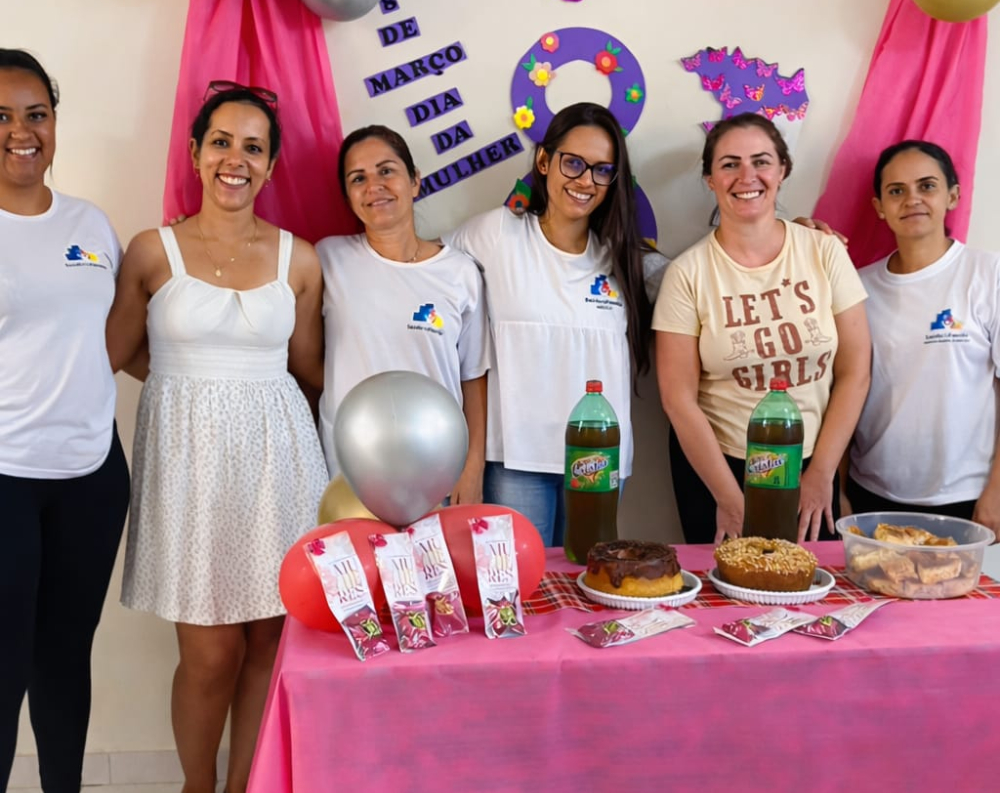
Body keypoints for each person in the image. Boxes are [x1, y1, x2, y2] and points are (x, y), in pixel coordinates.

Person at [107, 82, 328, 793]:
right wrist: (188, 385)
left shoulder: (299, 260)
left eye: (253, 148)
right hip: (188, 464)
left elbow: (311, 370)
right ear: (197, 152)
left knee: (269, 640)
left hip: (279, 460)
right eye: (222, 143)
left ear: (271, 165)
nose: (236, 159)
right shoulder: (152, 250)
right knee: (209, 652)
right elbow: (115, 351)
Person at [0, 50, 129, 793]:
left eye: (35, 114)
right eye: (1, 117)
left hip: (91, 477)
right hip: (6, 478)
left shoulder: (90, 224)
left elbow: (112, 338)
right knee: (3, 666)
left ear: (54, 120)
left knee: (63, 659)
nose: (21, 132)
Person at [445, 102, 663, 546]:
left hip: (599, 460)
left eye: (602, 170)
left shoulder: (624, 258)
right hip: (514, 459)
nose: (585, 181)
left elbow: (708, 280)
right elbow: (422, 267)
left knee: (585, 577)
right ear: (544, 161)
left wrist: (789, 232)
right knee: (522, 581)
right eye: (573, 163)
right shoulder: (497, 234)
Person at [654, 112, 871, 543]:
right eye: (729, 164)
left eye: (761, 161)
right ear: (710, 179)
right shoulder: (687, 273)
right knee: (725, 586)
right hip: (718, 470)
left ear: (783, 170)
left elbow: (856, 371)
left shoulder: (824, 251)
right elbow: (678, 399)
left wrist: (822, 473)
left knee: (812, 583)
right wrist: (730, 499)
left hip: (810, 466)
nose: (747, 176)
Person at [316, 125, 489, 503]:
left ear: (414, 182)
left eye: (386, 171)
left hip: (438, 472)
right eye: (358, 178)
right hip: (350, 475)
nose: (373, 186)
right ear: (347, 197)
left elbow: (473, 379)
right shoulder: (327, 259)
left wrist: (473, 467)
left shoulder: (459, 272)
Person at [847, 141, 1000, 535]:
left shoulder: (988, 275)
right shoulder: (857, 287)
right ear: (880, 206)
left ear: (953, 196)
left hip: (968, 498)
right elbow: (842, 390)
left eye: (927, 186)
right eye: (896, 190)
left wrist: (997, 492)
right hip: (871, 493)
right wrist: (837, 487)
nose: (912, 199)